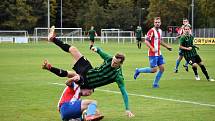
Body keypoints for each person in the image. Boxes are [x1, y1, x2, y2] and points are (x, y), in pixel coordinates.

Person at [45, 26, 135, 117]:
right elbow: (100, 51)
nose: (113, 63)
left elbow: (124, 93)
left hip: (87, 82)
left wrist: (127, 109)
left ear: (120, 64)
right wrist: (96, 49)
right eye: (113, 60)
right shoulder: (109, 59)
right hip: (88, 70)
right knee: (73, 50)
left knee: (72, 75)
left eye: (116, 63)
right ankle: (53, 39)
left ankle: (88, 116)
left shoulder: (118, 76)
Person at [133, 17, 172, 88]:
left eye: (158, 22)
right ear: (154, 23)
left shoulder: (160, 31)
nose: (157, 23)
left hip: (159, 53)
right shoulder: (151, 31)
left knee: (162, 69)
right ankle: (138, 70)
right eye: (156, 22)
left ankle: (155, 84)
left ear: (160, 23)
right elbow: (146, 41)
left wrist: (167, 47)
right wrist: (152, 48)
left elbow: (160, 41)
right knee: (154, 70)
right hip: (152, 54)